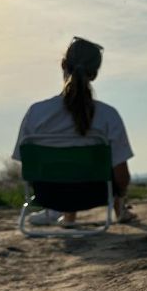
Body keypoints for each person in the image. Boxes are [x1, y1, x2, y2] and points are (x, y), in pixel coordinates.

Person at [13, 36, 136, 226]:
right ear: (94, 75)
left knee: (65, 165)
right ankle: (120, 211)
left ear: (63, 64)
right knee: (110, 164)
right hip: (94, 195)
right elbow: (122, 177)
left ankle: (65, 215)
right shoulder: (108, 116)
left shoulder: (36, 113)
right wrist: (120, 193)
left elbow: (28, 168)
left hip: (49, 195)